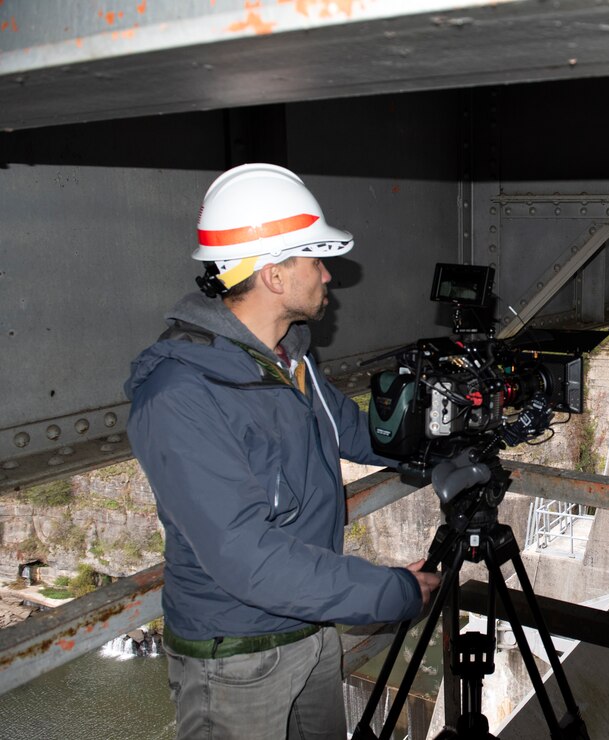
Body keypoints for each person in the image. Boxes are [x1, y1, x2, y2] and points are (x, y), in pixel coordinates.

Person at [125, 163, 441, 739]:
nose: (328, 276)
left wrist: (436, 442)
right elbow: (246, 555)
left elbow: (350, 430)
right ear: (273, 275)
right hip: (237, 661)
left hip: (311, 628)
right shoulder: (180, 394)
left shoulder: (289, 355)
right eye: (316, 260)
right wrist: (387, 591)